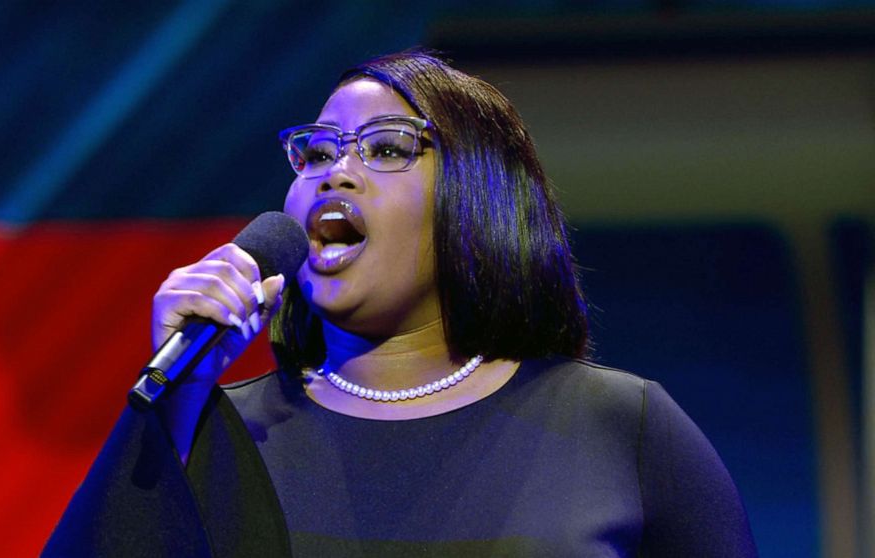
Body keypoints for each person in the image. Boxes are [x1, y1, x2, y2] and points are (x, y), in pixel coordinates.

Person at [46, 51, 758, 557]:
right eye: (318, 153)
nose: (338, 173)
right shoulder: (217, 431)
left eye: (385, 149)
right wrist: (176, 403)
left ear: (476, 197)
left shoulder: (619, 427)